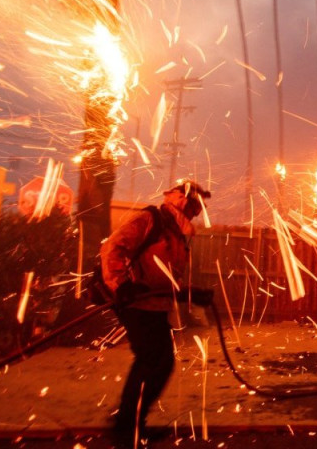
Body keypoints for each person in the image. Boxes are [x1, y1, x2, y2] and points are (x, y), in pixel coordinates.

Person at [100, 180, 211, 441]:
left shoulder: (175, 234)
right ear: (182, 201)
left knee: (154, 363)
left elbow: (167, 278)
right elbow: (111, 248)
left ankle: (129, 423)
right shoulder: (149, 220)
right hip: (137, 304)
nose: (196, 212)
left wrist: (192, 294)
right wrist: (122, 284)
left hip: (155, 306)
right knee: (155, 362)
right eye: (194, 206)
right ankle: (127, 428)